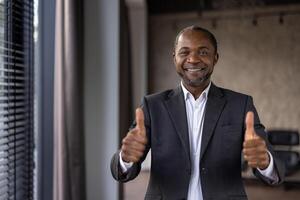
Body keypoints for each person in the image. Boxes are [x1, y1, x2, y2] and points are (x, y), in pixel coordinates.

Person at [111, 25, 285, 200]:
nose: (193, 59)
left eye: (203, 52)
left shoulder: (240, 105)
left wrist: (265, 162)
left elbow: (276, 171)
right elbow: (122, 172)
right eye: (184, 52)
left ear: (215, 58)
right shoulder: (152, 105)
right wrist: (125, 159)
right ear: (174, 58)